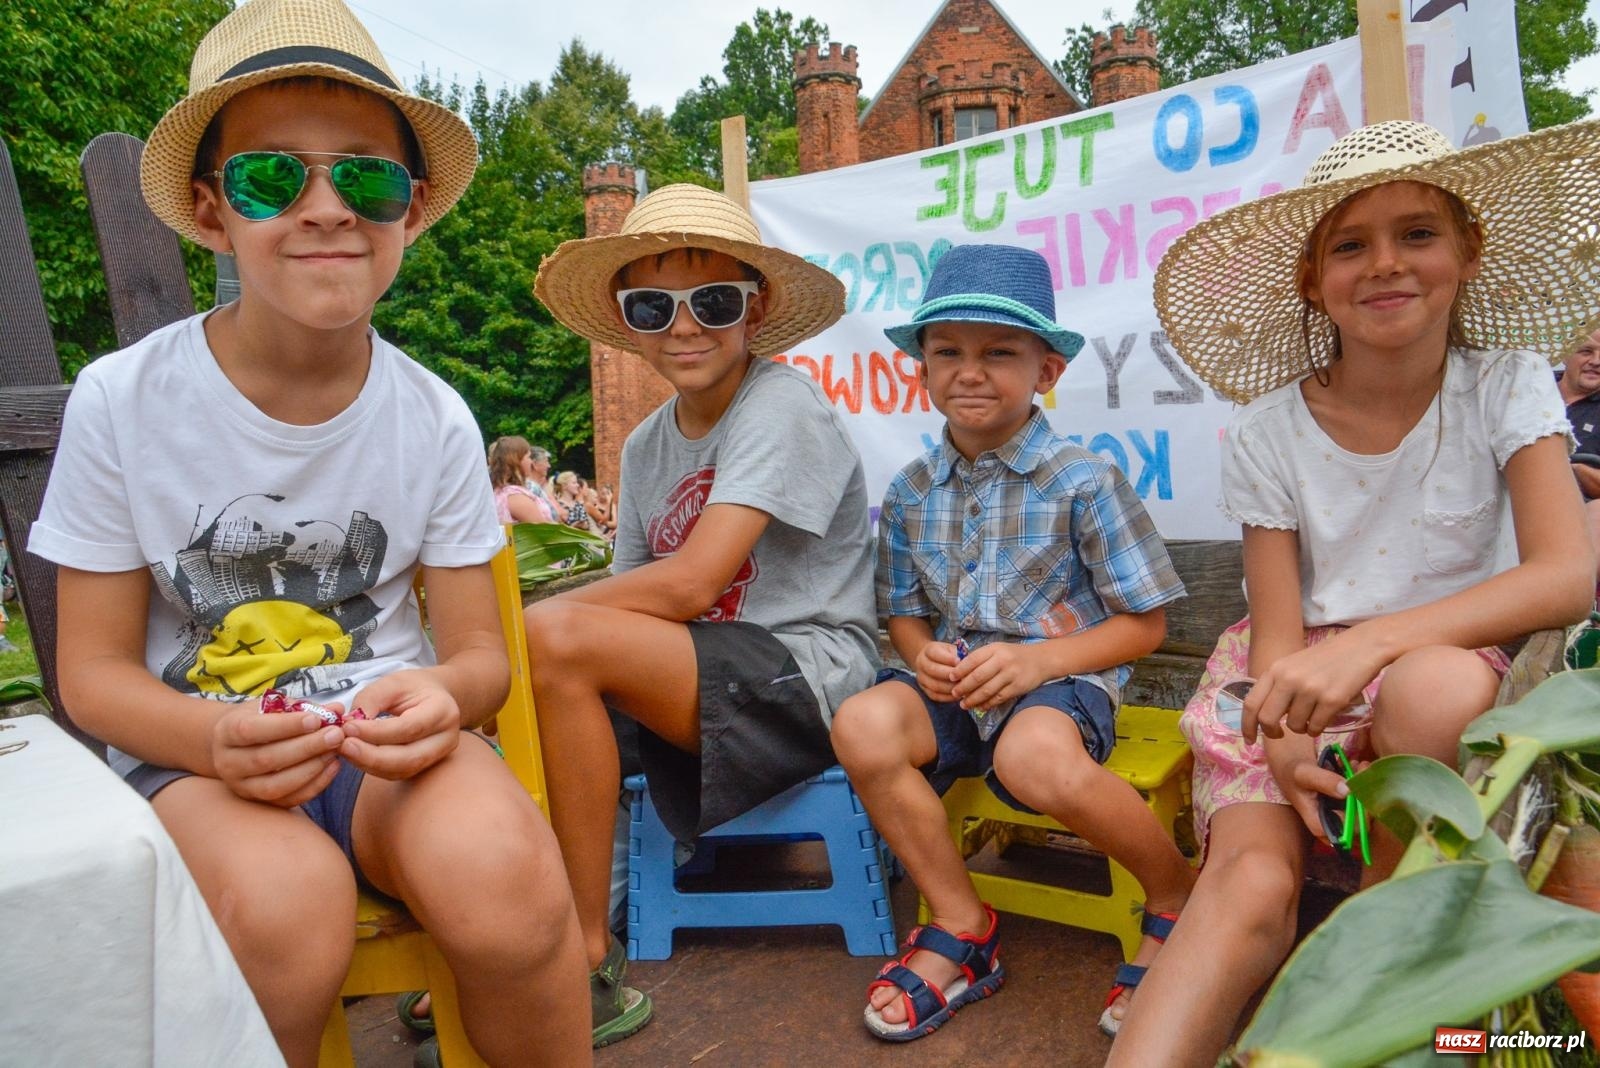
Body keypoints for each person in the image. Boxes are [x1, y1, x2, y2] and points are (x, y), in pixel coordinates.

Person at [25, 2, 591, 1064]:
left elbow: (479, 657)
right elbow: (91, 677)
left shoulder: (432, 416)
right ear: (211, 212)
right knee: (285, 912)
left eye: (367, 180)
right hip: (198, 763)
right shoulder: (123, 402)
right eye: (271, 178)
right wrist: (209, 742)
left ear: (409, 210)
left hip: (385, 752)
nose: (327, 207)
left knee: (511, 884)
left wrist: (445, 696)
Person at [1109, 119, 1599, 1067]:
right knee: (1249, 888)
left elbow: (1563, 575)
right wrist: (1287, 740)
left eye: (1417, 233)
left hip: (1445, 682)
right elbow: (1279, 634)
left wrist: (1374, 644)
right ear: (1313, 279)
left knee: (1433, 689)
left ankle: (1384, 963)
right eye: (1349, 245)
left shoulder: (1505, 387)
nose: (1385, 264)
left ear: (1468, 250)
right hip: (1289, 683)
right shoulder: (1268, 431)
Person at [527, 182, 878, 1044]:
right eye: (654, 306)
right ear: (629, 323)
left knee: (547, 642)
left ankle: (580, 955)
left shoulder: (781, 402)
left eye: (713, 302)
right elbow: (633, 603)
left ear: (754, 310)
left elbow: (686, 588)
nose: (684, 326)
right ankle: (519, 940)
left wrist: (522, 627)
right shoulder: (647, 444)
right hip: (706, 676)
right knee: (522, 690)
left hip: (810, 675)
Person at [828, 244, 1192, 1042]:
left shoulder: (1083, 480)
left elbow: (1146, 624)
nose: (970, 372)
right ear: (923, 368)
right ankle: (962, 924)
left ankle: (1176, 895)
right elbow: (903, 613)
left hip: (1062, 681)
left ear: (1046, 371)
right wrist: (919, 653)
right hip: (958, 687)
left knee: (1031, 759)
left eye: (999, 353)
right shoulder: (912, 490)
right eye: (947, 352)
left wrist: (1037, 662)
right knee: (860, 723)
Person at [1557, 323, 1600, 567]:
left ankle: (1576, 585)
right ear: (1565, 354)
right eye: (1586, 351)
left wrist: (1575, 470)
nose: (1596, 361)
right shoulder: (1531, 390)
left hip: (1578, 513)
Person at [489, 435, 557, 524]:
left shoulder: (503, 491)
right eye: (528, 457)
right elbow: (545, 529)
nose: (531, 462)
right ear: (516, 461)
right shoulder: (514, 496)